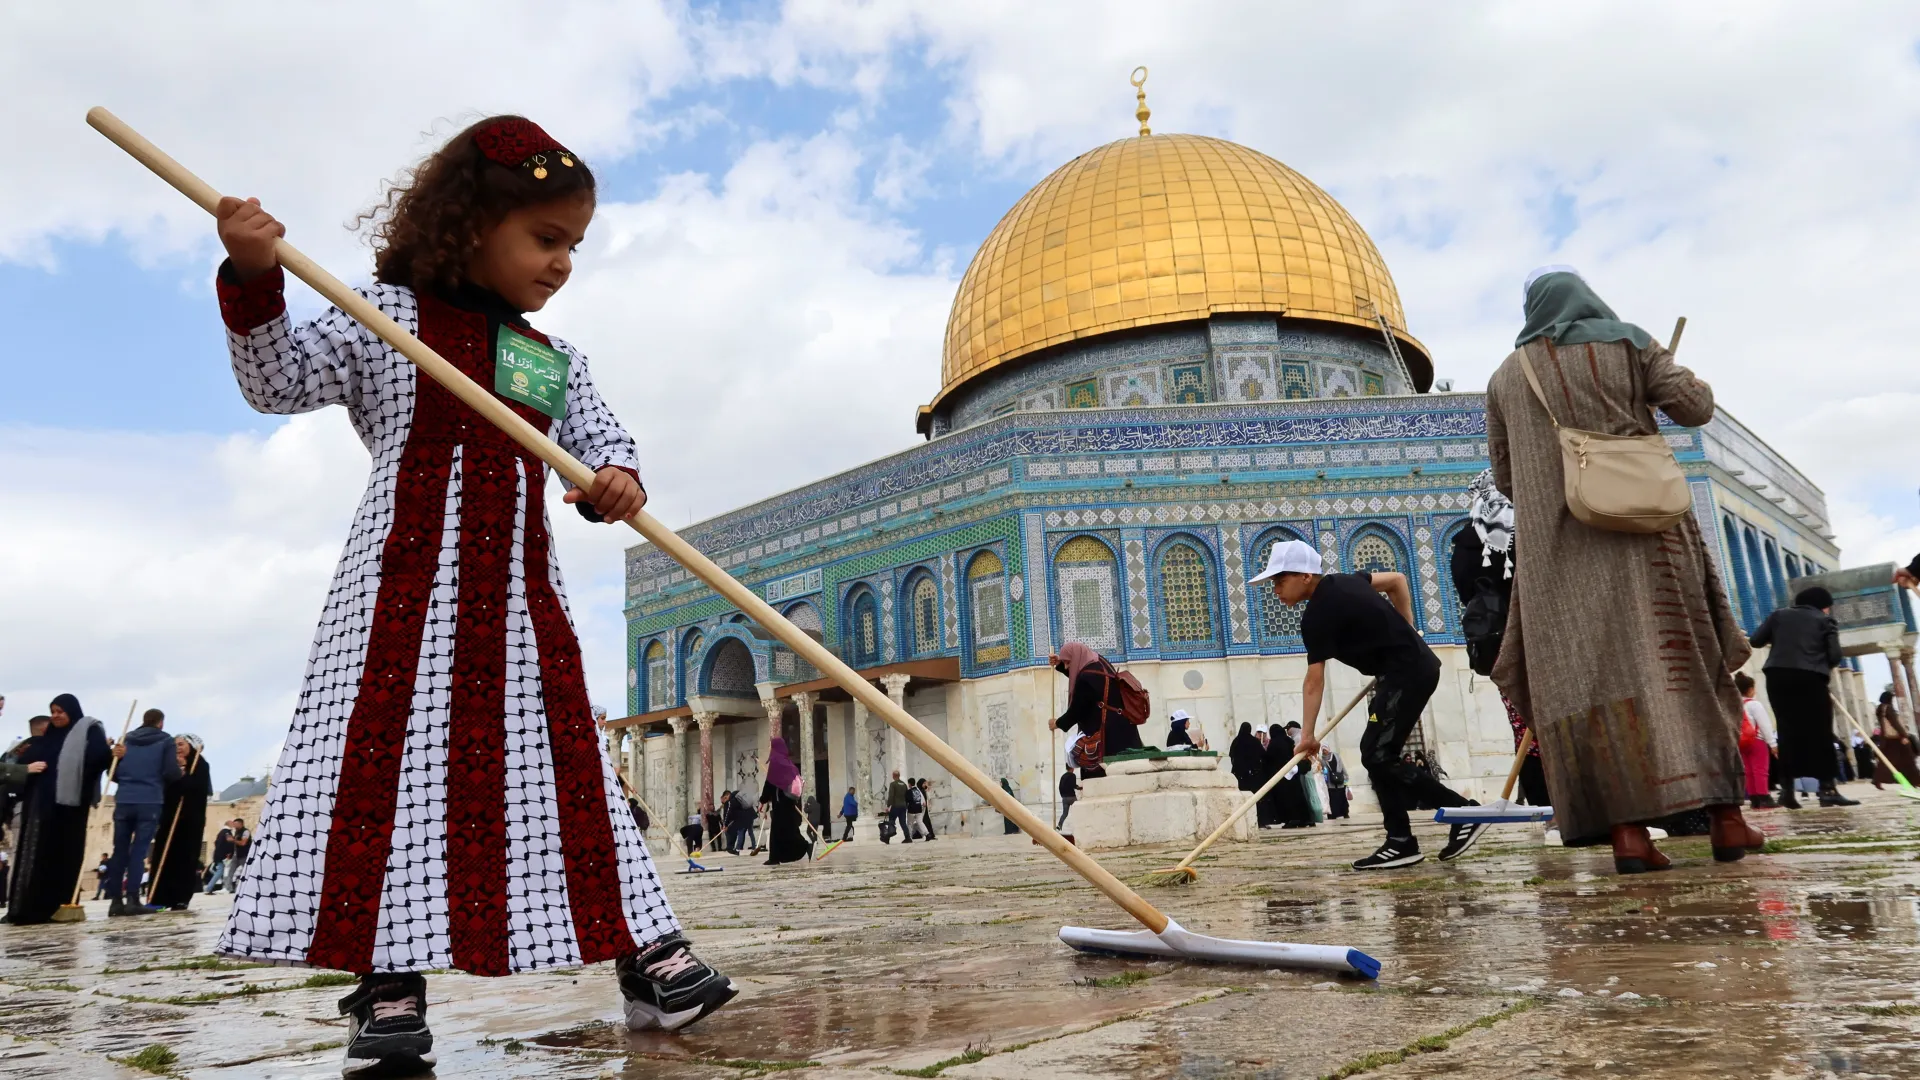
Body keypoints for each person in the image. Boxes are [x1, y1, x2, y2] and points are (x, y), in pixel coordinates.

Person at [209, 115, 734, 1072]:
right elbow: (278, 380)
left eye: (574, 243)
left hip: (520, 607)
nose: (563, 262)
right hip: (394, 609)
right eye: (546, 239)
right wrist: (252, 277)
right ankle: (389, 988)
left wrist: (615, 477)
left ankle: (648, 961)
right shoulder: (384, 317)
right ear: (468, 226)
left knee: (567, 774)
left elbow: (602, 436)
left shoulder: (547, 357)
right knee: (386, 783)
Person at [1485, 266, 1763, 874]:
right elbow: (1695, 409)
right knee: (1685, 668)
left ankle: (1629, 836)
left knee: (1590, 685)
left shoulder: (1507, 377)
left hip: (1559, 563)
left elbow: (1507, 479)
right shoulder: (1630, 343)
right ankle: (1727, 820)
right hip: (1650, 541)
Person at [1252, 541, 1483, 869]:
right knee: (1376, 753)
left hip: (1406, 674)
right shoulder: (1346, 580)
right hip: (1408, 669)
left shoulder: (1316, 616)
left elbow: (1313, 682)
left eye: (1279, 581)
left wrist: (1307, 736)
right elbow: (1398, 581)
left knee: (1376, 754)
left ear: (1305, 576)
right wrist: (1409, 631)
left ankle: (1459, 814)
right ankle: (1402, 840)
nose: (1275, 590)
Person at [6, 697, 111, 925]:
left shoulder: (87, 732)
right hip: (41, 809)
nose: (56, 716)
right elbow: (22, 764)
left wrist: (113, 754)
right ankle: (29, 908)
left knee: (64, 857)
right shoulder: (47, 739)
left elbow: (98, 758)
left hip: (69, 809)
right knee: (37, 857)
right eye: (52, 711)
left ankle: (57, 906)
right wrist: (27, 766)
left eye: (60, 711)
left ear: (71, 712)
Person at [1750, 587, 1857, 808]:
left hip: (1778, 677)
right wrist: (1820, 670)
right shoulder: (1825, 620)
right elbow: (1835, 655)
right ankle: (1827, 789)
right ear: (1823, 605)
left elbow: (1756, 641)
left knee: (1788, 731)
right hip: (1811, 678)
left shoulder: (1779, 615)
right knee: (1820, 732)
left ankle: (1787, 791)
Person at [103, 708, 183, 917]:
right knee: (139, 851)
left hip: (124, 799)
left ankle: (115, 901)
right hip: (150, 799)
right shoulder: (166, 741)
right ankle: (132, 898)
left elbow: (113, 772)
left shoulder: (126, 739)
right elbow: (170, 771)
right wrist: (178, 773)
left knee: (119, 851)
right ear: (161, 723)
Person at [1050, 642, 1143, 779]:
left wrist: (1057, 723)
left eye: (1067, 662)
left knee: (1103, 781)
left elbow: (1077, 710)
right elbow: (1083, 675)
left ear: (1076, 658)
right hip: (1125, 733)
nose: (1067, 666)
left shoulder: (1086, 678)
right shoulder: (1100, 663)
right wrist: (1060, 664)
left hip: (1107, 739)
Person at [148, 735, 213, 911]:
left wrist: (184, 774)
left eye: (181, 744)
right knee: (164, 857)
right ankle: (158, 897)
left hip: (190, 820)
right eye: (175, 745)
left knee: (185, 859)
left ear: (191, 746)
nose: (178, 747)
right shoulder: (169, 764)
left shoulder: (200, 764)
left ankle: (180, 898)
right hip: (169, 818)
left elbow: (195, 788)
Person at [758, 738, 809, 865]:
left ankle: (805, 846)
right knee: (787, 828)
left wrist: (763, 800)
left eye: (770, 746)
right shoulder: (788, 763)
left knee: (780, 828)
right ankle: (776, 857)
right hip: (789, 800)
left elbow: (769, 783)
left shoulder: (775, 761)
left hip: (780, 801)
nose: (769, 748)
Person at [1734, 674, 1778, 810]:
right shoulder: (1754, 704)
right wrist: (1772, 744)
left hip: (1741, 742)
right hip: (1757, 741)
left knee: (1748, 771)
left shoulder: (1734, 704)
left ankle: (1754, 799)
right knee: (1760, 769)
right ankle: (1764, 797)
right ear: (1750, 689)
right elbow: (1765, 725)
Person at [1258, 724, 1313, 829]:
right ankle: (1304, 819)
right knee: (1298, 796)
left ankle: (1291, 820)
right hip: (1293, 772)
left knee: (1286, 799)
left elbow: (1269, 758)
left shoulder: (1274, 743)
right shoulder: (1289, 741)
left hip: (1282, 775)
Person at [1874, 692, 1920, 787]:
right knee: (1908, 759)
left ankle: (1877, 779)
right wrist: (1903, 735)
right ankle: (1915, 780)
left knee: (1886, 760)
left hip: (1886, 739)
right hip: (1896, 739)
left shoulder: (1879, 708)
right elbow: (1895, 723)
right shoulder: (1888, 708)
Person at [1228, 723, 1263, 800]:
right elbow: (1262, 755)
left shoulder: (1236, 741)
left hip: (1238, 773)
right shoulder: (1255, 741)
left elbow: (1231, 755)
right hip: (1253, 773)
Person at [204, 821, 238, 892]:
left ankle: (211, 888)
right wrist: (228, 853)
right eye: (232, 824)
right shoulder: (226, 832)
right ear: (229, 824)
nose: (233, 825)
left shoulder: (222, 832)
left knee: (220, 872)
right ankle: (209, 888)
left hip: (219, 856)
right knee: (220, 872)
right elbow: (229, 842)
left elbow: (217, 843)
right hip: (222, 856)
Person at [1322, 749, 1351, 820]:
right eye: (1323, 750)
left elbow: (1342, 766)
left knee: (1342, 798)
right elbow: (1324, 770)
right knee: (1332, 799)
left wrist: (1346, 777)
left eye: (1325, 749)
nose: (1324, 751)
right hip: (1330, 783)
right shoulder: (1323, 759)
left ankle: (1345, 813)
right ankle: (1333, 814)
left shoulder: (1336, 756)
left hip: (1340, 781)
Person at [885, 770, 911, 844]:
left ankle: (887, 838)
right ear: (899, 776)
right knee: (903, 822)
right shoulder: (904, 784)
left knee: (891, 821)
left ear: (893, 776)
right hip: (903, 806)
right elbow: (907, 796)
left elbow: (891, 796)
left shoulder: (893, 784)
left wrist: (888, 805)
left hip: (896, 806)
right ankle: (908, 837)